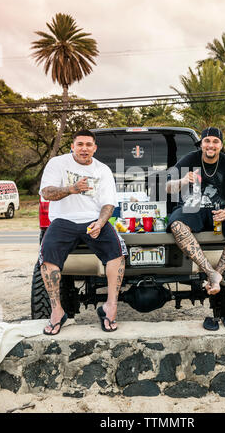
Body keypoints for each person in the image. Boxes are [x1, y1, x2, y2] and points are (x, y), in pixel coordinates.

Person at [38, 129, 127, 335]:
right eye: (80, 144)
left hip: (93, 220)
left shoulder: (102, 170)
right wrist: (71, 189)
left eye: (88, 145)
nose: (84, 149)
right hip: (63, 220)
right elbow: (46, 192)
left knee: (117, 253)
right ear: (72, 146)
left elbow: (108, 204)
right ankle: (57, 312)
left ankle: (110, 307)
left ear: (95, 148)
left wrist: (100, 222)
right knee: (47, 257)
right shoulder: (58, 164)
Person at [166, 126, 225, 330]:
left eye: (215, 142)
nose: (211, 145)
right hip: (193, 209)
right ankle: (210, 272)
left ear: (220, 145)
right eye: (207, 141)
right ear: (202, 144)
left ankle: (219, 272)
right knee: (177, 225)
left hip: (220, 213)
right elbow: (167, 187)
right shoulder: (189, 159)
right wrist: (182, 180)